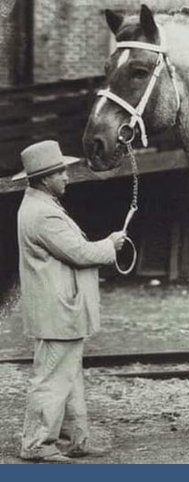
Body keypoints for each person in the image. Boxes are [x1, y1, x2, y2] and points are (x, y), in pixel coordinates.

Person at [13, 140, 126, 463]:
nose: (67, 176)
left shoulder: (40, 206)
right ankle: (37, 444)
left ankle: (74, 439)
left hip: (59, 310)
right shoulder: (43, 214)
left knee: (68, 377)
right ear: (44, 177)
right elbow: (80, 253)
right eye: (60, 171)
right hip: (57, 310)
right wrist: (111, 244)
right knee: (52, 378)